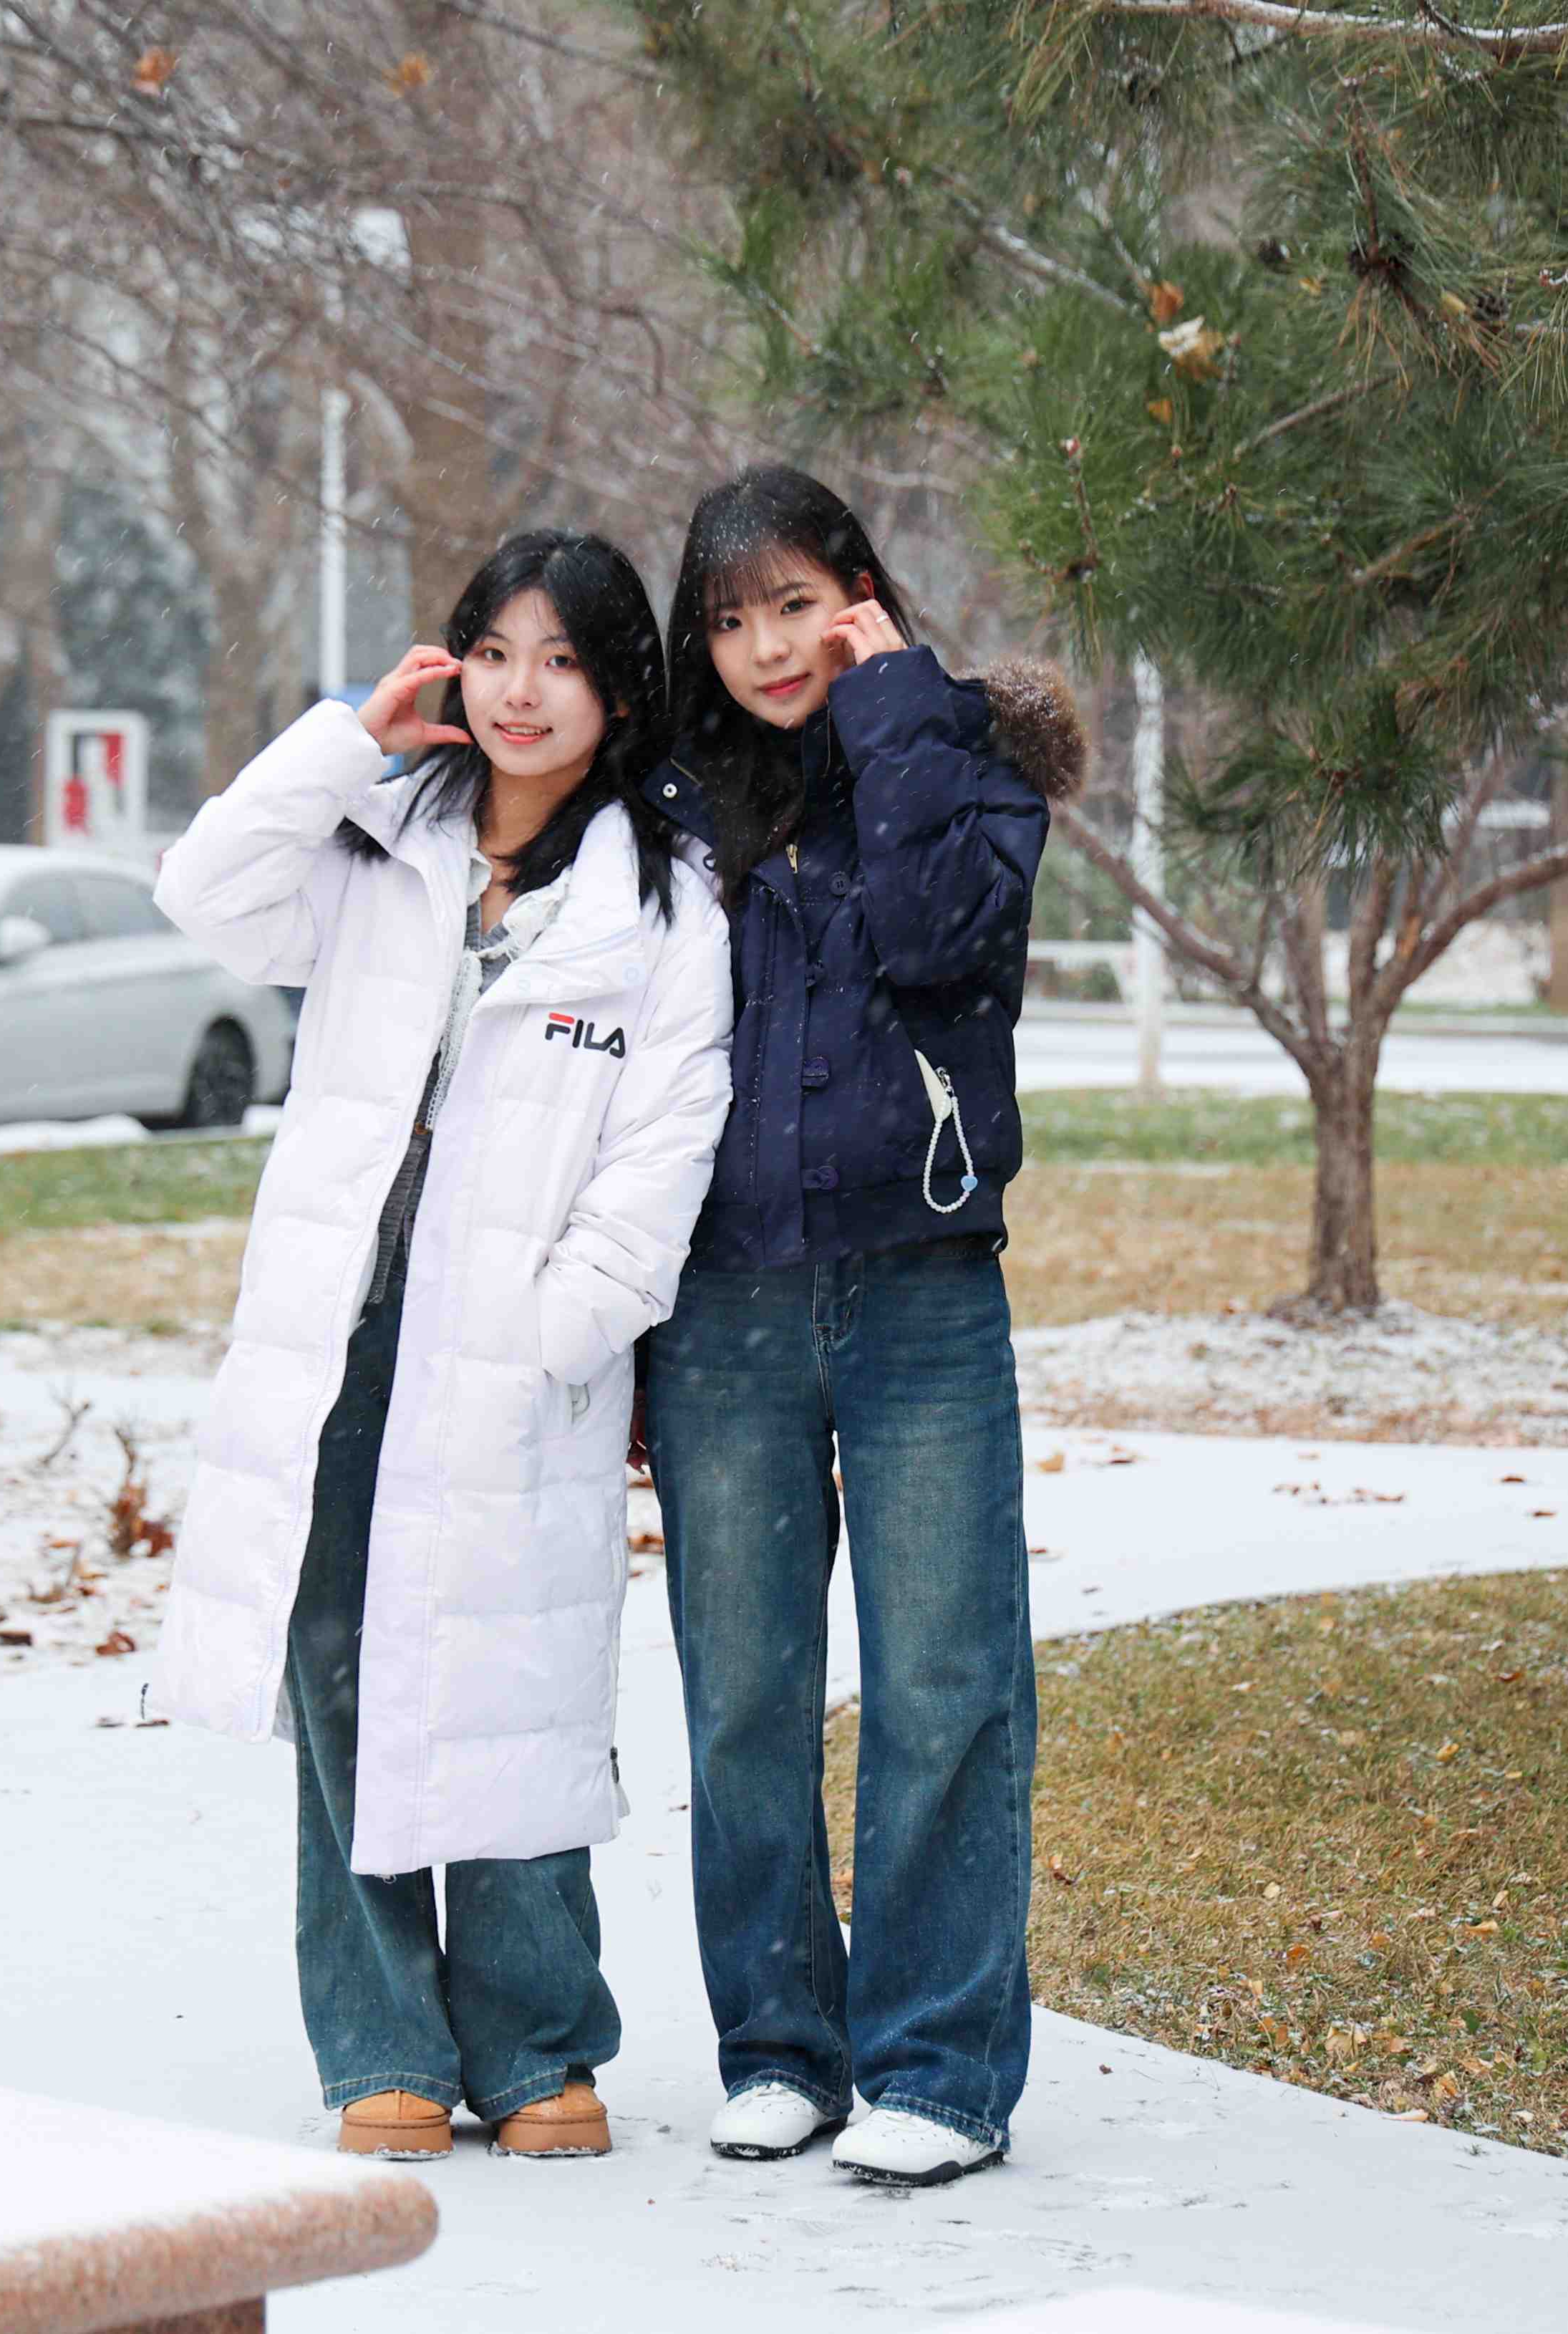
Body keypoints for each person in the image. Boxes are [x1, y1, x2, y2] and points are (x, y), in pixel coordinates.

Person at [153, 529, 734, 2162]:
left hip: (510, 1357)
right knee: (338, 1672)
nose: (519, 691)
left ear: (619, 693)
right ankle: (380, 2043)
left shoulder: (659, 907)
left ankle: (537, 2044)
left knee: (514, 1687)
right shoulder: (372, 843)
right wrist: (349, 739)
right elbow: (202, 889)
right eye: (492, 652)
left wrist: (565, 1325)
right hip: (344, 1340)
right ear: (452, 666)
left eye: (561, 660)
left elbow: (665, 1145)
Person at [637, 463, 1088, 2187]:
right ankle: (777, 2047)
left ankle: (938, 2069)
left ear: (859, 593)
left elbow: (939, 937)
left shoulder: (963, 758)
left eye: (794, 602)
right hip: (723, 1307)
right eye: (728, 617)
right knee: (741, 1693)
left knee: (944, 1684)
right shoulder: (670, 803)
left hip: (920, 1292)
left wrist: (892, 708)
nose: (766, 646)